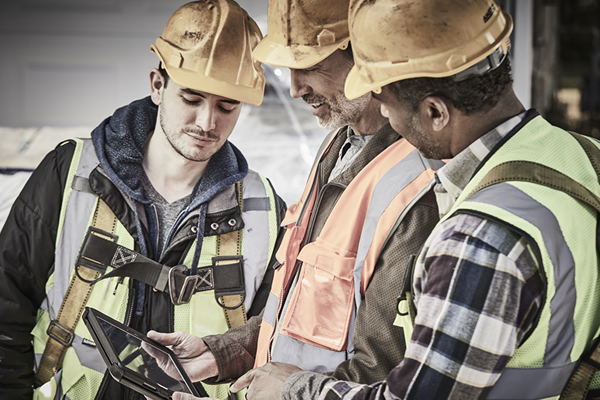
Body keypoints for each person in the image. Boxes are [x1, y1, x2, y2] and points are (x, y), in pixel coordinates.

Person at [148, 0, 443, 399]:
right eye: (288, 68)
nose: (294, 87)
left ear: (369, 56)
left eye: (309, 66)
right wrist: (220, 353)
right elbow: (301, 318)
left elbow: (383, 376)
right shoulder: (338, 146)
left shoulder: (416, 189)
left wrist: (286, 391)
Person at [309, 0, 600, 399]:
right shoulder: (585, 155)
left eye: (388, 107)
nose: (389, 122)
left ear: (435, 112)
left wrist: (296, 389)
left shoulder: (480, 240)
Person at [0, 1, 286, 399]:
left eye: (227, 106)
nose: (208, 123)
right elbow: (6, 302)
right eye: (191, 98)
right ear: (157, 85)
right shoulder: (71, 174)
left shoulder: (265, 209)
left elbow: (277, 341)